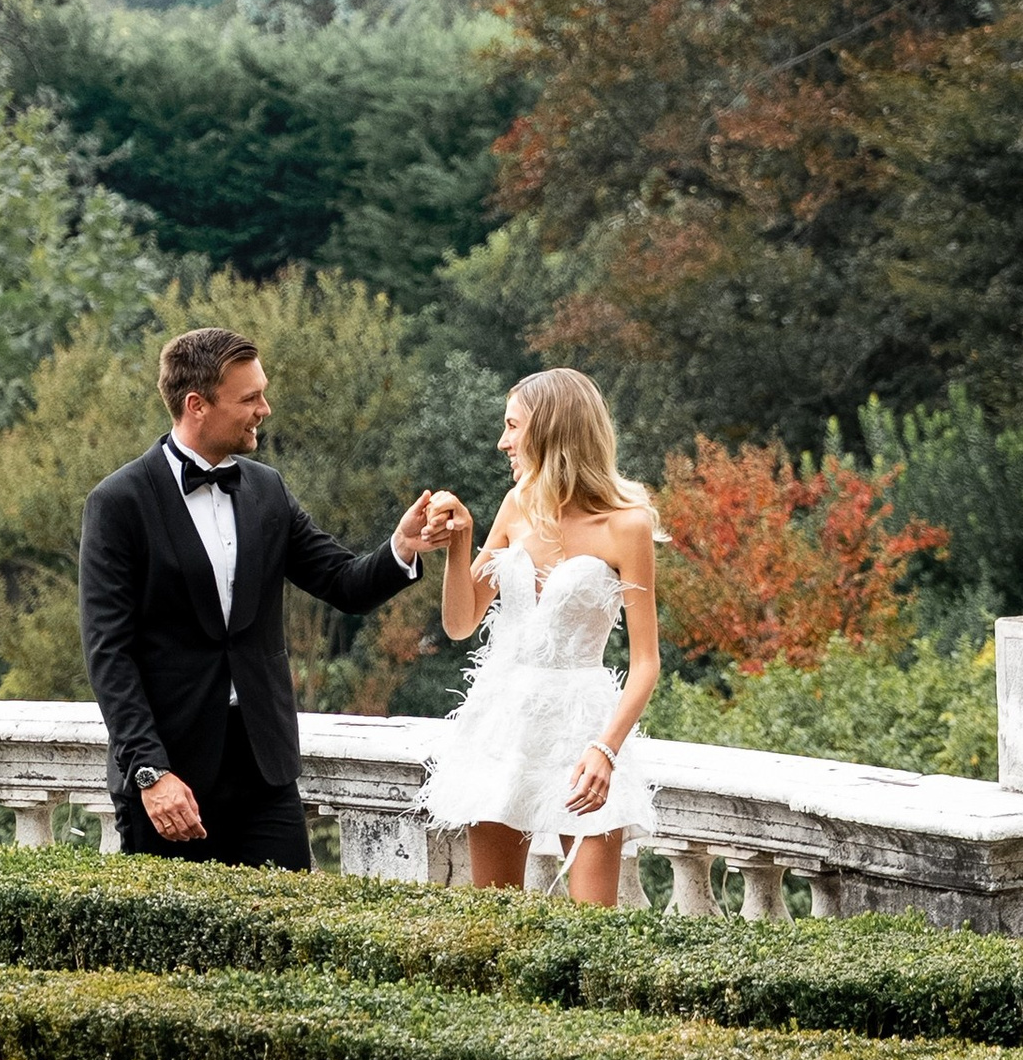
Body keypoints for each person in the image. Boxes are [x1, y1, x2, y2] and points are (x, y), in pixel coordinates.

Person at [79, 324, 446, 870]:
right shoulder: (118, 502)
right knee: (184, 952)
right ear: (196, 404)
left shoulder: (267, 489)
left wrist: (400, 548)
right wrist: (151, 774)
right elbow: (109, 652)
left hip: (264, 768)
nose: (265, 409)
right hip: (171, 779)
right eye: (250, 398)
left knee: (289, 945)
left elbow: (343, 584)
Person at [420, 368, 662, 906]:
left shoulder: (628, 524)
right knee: (495, 920)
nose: (502, 441)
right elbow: (461, 623)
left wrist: (605, 750)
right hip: (502, 720)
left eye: (512, 427)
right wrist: (460, 542)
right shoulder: (516, 504)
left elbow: (646, 663)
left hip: (584, 727)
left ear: (550, 431)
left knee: (591, 930)